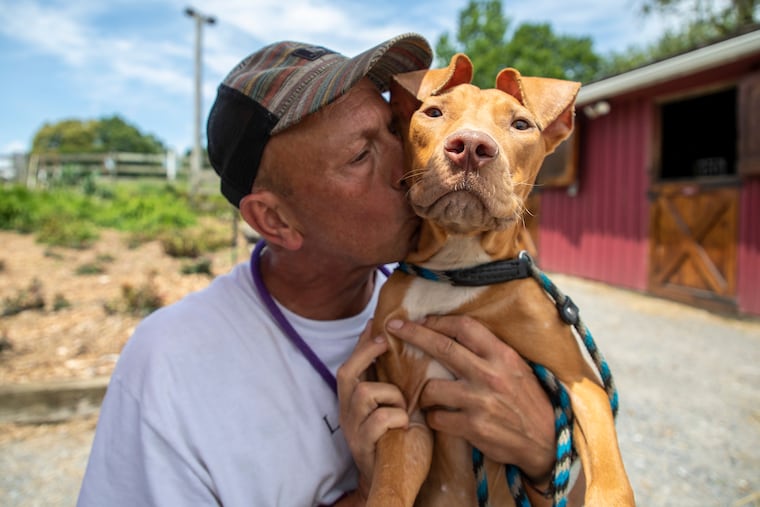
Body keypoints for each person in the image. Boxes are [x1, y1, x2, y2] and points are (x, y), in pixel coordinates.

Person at [78, 33, 581, 506]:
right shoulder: (171, 366)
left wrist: (546, 456)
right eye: (361, 155)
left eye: (395, 128)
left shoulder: (455, 289)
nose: (412, 159)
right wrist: (371, 487)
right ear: (274, 219)